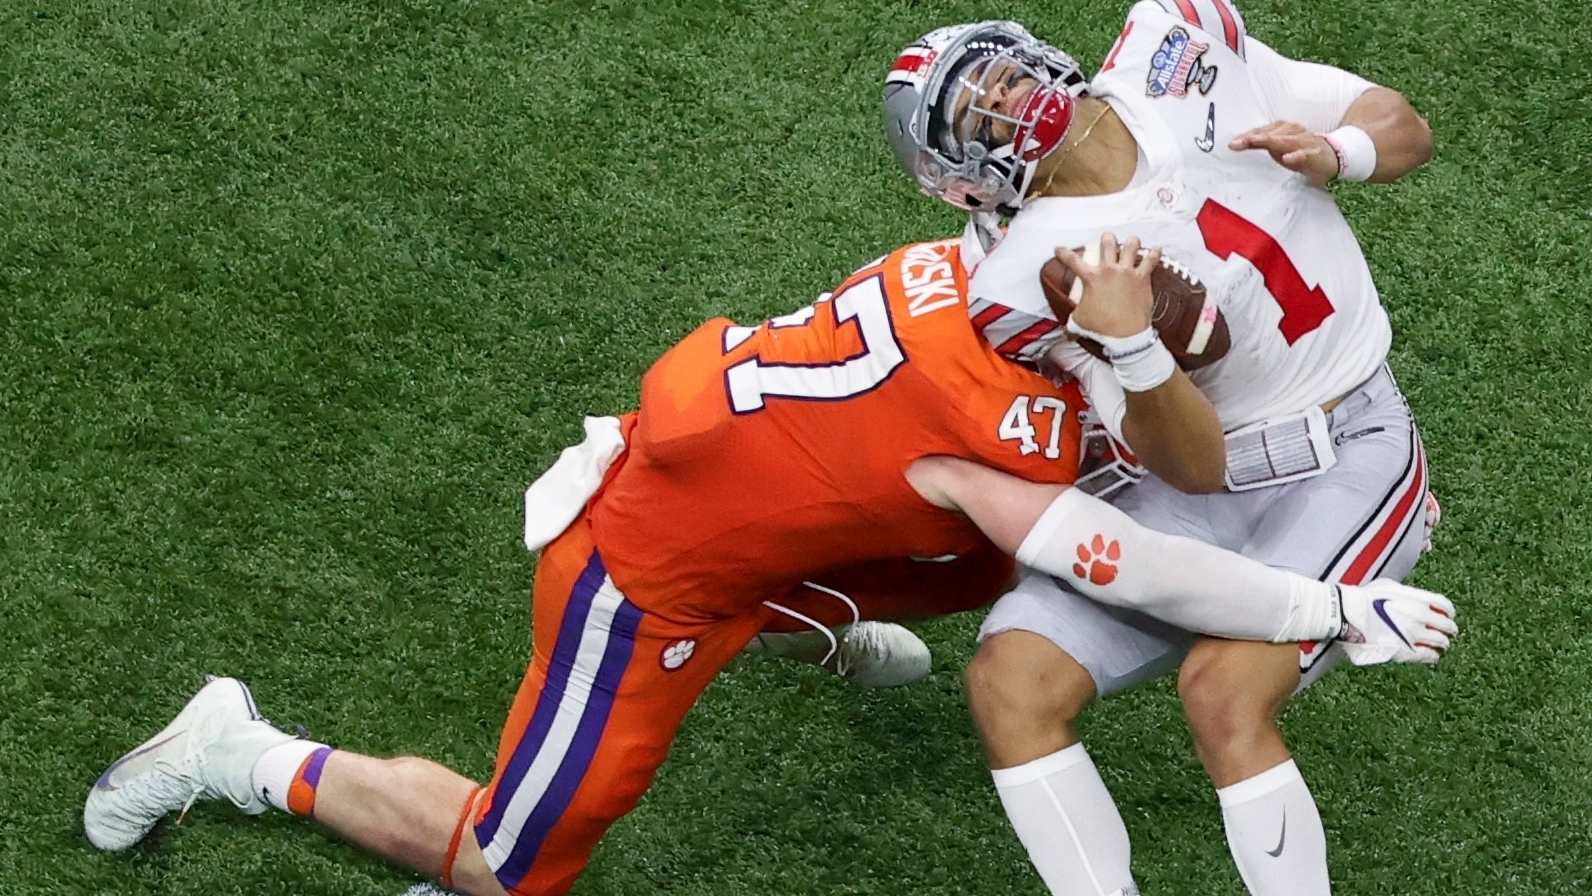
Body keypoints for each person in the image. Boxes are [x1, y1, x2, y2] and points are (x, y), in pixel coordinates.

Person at [82, 236, 1453, 896]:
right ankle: (243, 749)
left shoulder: (952, 285)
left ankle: (824, 617)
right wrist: (1335, 587)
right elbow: (1144, 555)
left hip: (756, 496)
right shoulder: (1002, 428)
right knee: (509, 862)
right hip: (654, 573)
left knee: (967, 564)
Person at [883, 5, 1439, 894]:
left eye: (1001, 74)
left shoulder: (1173, 45)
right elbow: (1193, 467)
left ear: (1037, 52)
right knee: (1009, 683)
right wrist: (1135, 346)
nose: (1008, 101)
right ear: (968, 180)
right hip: (1192, 486)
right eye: (979, 114)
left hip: (1346, 448)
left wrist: (1340, 153)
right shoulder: (1021, 277)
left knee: (1222, 692)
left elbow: (1404, 128)